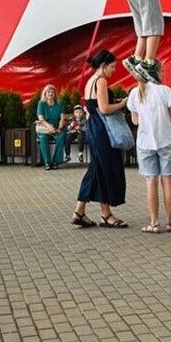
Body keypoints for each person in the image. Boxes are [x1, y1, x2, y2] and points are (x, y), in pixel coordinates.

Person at [72, 51, 130, 229]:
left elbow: (92, 107)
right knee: (104, 169)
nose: (114, 70)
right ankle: (106, 215)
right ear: (103, 66)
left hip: (93, 129)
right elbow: (104, 109)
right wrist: (123, 103)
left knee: (95, 169)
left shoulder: (90, 81)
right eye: (112, 66)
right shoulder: (101, 81)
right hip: (103, 130)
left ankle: (79, 212)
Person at [127, 68, 171, 232]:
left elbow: (135, 121)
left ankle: (154, 223)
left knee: (151, 183)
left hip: (145, 143)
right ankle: (170, 222)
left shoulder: (135, 93)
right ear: (155, 73)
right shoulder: (165, 91)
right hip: (166, 140)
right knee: (168, 181)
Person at [35, 85, 67, 170]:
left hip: (57, 127)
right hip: (45, 127)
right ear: (45, 94)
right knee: (43, 138)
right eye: (48, 92)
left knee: (61, 136)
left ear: (55, 94)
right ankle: (47, 162)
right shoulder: (41, 104)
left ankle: (56, 161)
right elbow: (41, 119)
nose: (50, 94)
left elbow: (62, 118)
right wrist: (49, 127)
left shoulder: (60, 104)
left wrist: (59, 129)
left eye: (52, 92)